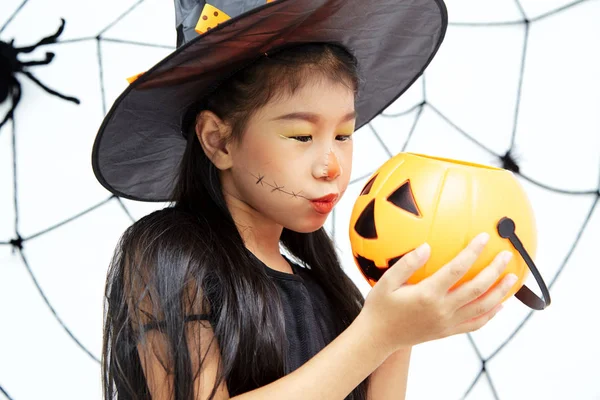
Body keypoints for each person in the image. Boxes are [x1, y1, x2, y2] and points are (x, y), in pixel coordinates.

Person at [92, 1, 518, 399]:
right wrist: (378, 334)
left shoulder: (326, 287)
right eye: (301, 136)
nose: (331, 166)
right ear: (218, 141)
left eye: (344, 135)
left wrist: (401, 329)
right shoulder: (169, 253)